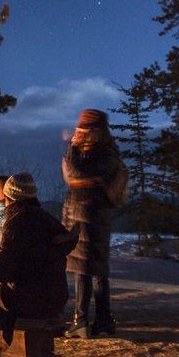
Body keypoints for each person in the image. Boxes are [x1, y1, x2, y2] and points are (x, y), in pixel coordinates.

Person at [62, 108, 125, 337]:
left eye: (81, 130)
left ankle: (82, 320)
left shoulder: (102, 154)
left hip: (88, 215)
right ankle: (103, 320)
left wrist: (70, 150)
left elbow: (75, 174)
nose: (77, 134)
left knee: (85, 268)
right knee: (95, 268)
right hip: (91, 214)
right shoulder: (105, 153)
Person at [0, 173, 77, 321]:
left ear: (8, 197)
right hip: (55, 302)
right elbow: (65, 242)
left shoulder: (15, 223)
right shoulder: (48, 219)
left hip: (26, 304)